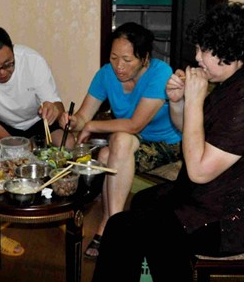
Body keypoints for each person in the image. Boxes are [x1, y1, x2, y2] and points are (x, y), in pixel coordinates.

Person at [86, 2, 244, 282]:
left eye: (204, 50)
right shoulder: (235, 83)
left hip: (230, 223)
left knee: (121, 228)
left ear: (231, 50)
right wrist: (179, 102)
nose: (197, 57)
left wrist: (194, 100)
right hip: (212, 198)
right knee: (144, 200)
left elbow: (198, 171)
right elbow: (190, 133)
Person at [61, 22, 181, 259]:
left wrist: (92, 125)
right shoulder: (106, 74)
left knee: (118, 143)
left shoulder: (160, 73)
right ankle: (114, 224)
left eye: (127, 60)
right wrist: (72, 121)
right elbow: (83, 117)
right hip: (129, 142)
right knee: (110, 150)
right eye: (114, 57)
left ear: (144, 58)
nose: (119, 66)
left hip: (167, 144)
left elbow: (135, 125)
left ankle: (110, 225)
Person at [0, 26, 72, 148]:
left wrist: (54, 110)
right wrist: (21, 146)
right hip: (2, 125)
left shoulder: (32, 60)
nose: (2, 72)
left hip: (38, 120)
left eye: (8, 64)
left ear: (13, 49)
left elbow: (57, 106)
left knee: (67, 143)